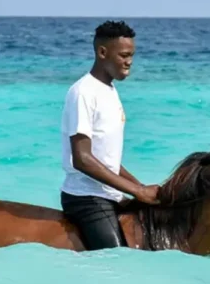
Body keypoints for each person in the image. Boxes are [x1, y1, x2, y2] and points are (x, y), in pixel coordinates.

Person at [59, 20, 160, 250]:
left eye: (132, 55)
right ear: (102, 52)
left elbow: (107, 160)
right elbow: (82, 158)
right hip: (86, 197)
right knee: (117, 260)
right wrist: (136, 191)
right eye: (124, 55)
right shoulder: (83, 92)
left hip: (110, 195)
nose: (129, 62)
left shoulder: (110, 91)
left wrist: (141, 187)